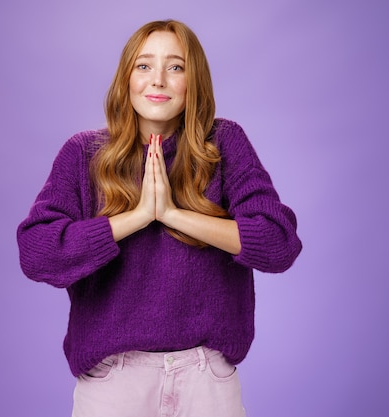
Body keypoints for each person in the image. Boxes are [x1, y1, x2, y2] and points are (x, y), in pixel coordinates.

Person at [17, 19, 302, 417]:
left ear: (193, 80)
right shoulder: (84, 154)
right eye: (144, 65)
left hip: (205, 381)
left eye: (176, 67)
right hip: (113, 383)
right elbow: (36, 253)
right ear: (126, 78)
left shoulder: (224, 143)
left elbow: (279, 243)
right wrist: (136, 218)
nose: (159, 80)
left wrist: (172, 214)